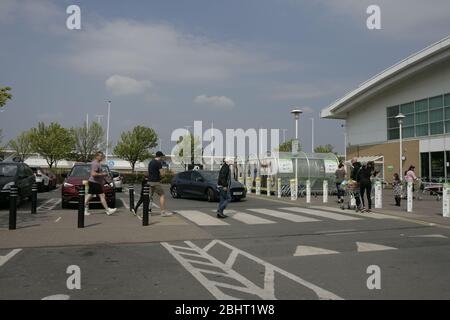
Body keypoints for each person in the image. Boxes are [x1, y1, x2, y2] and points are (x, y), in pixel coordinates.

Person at [84, 151, 117, 216]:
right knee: (101, 196)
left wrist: (104, 179)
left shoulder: (97, 163)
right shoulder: (95, 164)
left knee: (90, 196)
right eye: (100, 156)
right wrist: (102, 174)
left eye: (102, 156)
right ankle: (108, 210)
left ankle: (84, 209)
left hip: (95, 182)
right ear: (97, 156)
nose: (102, 157)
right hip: (94, 182)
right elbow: (93, 174)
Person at [148, 151, 172, 217]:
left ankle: (148, 210)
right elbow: (162, 174)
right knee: (162, 195)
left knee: (150, 196)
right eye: (162, 157)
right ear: (160, 156)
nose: (162, 158)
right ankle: (163, 212)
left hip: (149, 181)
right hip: (155, 182)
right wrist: (164, 170)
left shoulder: (151, 162)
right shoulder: (158, 163)